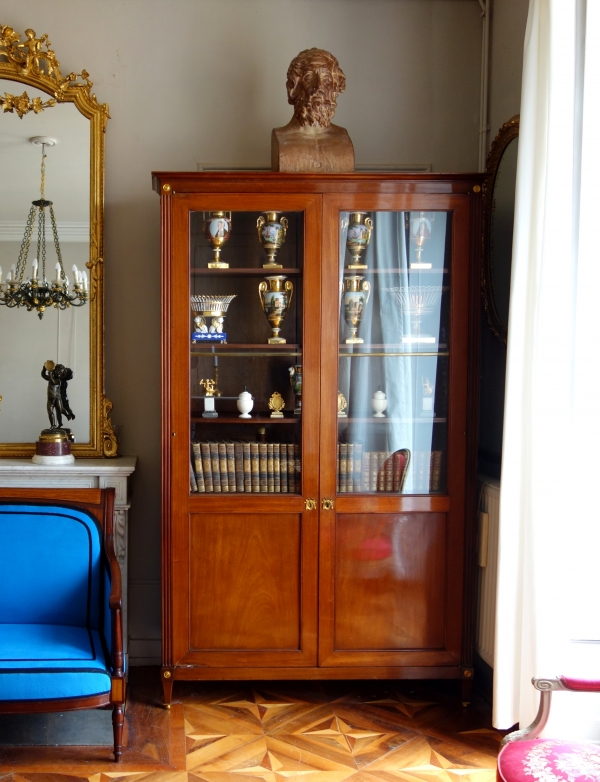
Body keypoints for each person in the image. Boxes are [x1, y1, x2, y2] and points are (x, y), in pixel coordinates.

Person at [272, 48, 354, 173]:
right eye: (309, 78)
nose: (319, 88)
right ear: (292, 89)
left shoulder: (343, 138)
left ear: (335, 89)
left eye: (326, 79)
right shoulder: (281, 138)